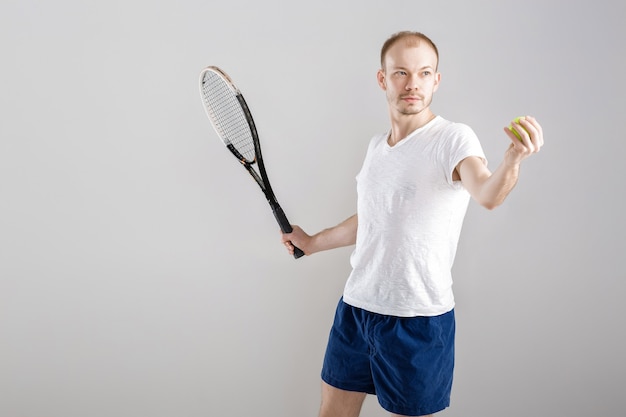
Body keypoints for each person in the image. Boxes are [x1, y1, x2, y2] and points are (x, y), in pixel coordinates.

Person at [281, 31, 544, 417]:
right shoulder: (376, 147)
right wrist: (313, 241)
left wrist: (513, 160)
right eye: (401, 72)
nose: (412, 83)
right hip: (356, 309)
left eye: (424, 73)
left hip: (417, 321)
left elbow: (488, 194)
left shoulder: (453, 139)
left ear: (436, 80)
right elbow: (374, 219)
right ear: (382, 79)